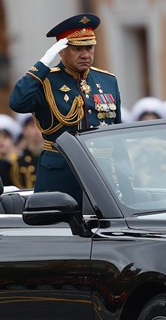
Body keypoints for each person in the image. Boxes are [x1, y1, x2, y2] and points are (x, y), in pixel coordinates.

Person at [9, 13, 121, 202]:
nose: (86, 55)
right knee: (56, 228)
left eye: (90, 47)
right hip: (61, 173)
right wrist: (43, 63)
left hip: (102, 173)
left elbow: (117, 133)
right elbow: (17, 102)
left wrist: (125, 176)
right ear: (61, 51)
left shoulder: (107, 80)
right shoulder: (45, 80)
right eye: (78, 48)